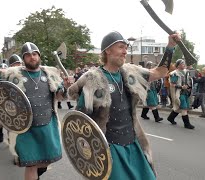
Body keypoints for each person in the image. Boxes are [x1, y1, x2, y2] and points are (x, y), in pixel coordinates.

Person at [68, 31, 175, 179]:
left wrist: (170, 47)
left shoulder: (132, 72)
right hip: (109, 149)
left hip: (133, 143)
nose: (125, 51)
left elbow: (160, 72)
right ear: (108, 50)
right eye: (121, 47)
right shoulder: (93, 79)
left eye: (126, 47)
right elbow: (80, 121)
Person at [3, 42, 66, 180]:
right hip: (26, 128)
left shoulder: (50, 74)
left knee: (46, 160)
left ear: (39, 56)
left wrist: (66, 86)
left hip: (47, 123)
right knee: (30, 164)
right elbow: (4, 100)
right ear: (24, 58)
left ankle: (37, 174)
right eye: (28, 55)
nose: (32, 57)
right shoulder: (15, 76)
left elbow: (60, 96)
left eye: (34, 54)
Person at [166, 59, 195, 129]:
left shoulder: (186, 72)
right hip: (179, 93)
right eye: (182, 63)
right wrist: (181, 87)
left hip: (186, 93)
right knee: (184, 108)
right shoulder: (174, 73)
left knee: (179, 107)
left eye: (184, 63)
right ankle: (187, 124)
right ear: (178, 65)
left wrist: (189, 86)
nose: (184, 64)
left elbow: (192, 79)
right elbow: (172, 84)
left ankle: (170, 118)